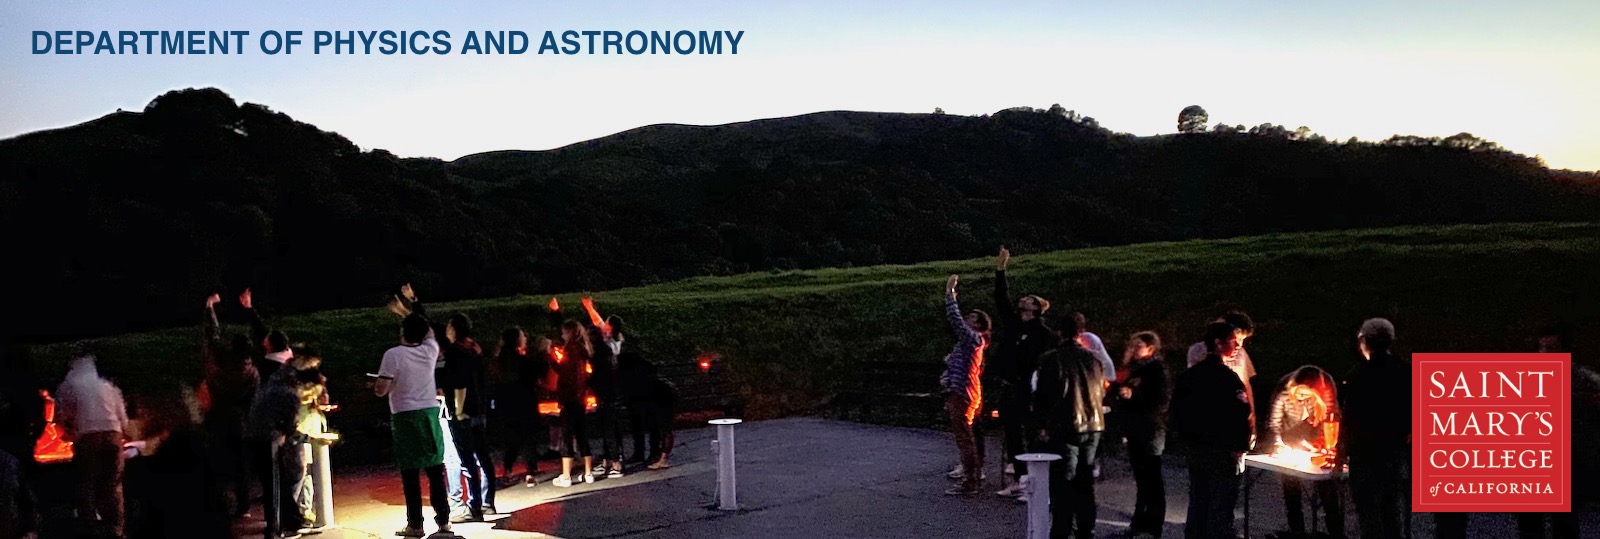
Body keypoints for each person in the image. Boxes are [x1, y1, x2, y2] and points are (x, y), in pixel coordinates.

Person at [375, 297, 455, 539]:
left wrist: (376, 385)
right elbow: (428, 328)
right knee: (435, 470)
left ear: (402, 333)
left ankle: (415, 524)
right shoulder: (430, 350)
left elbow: (381, 389)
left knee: (410, 474)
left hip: (404, 416)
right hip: (429, 413)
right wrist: (405, 312)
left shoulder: (393, 354)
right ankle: (443, 522)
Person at [1172, 322, 1252, 539]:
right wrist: (1241, 446)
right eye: (1233, 341)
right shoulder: (1227, 378)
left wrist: (1185, 440)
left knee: (1198, 498)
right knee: (1220, 503)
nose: (1237, 346)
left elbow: (1176, 412)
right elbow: (1239, 413)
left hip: (1195, 448)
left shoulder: (1188, 377)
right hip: (1222, 450)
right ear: (1218, 344)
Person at [1511, 322, 1591, 539]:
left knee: (1564, 522)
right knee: (1529, 523)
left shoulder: (1581, 380)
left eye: (1551, 349)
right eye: (1542, 349)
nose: (1544, 354)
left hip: (1564, 460)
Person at [1033, 309, 1107, 539]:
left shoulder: (1051, 359)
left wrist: (1042, 425)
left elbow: (1042, 396)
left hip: (1066, 425)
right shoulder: (1093, 359)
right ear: (1080, 332)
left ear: (1059, 332)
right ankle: (1086, 527)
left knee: (1064, 481)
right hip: (1093, 423)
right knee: (1085, 478)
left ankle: (1063, 529)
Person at [1334, 318, 1409, 539]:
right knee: (1391, 507)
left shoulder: (1359, 375)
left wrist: (1341, 450)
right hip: (1393, 451)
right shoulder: (1405, 371)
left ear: (1365, 341)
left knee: (1367, 510)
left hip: (1364, 453)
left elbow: (1349, 417)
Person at [988, 247, 1054, 497]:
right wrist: (1001, 269)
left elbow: (1043, 362)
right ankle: (1018, 478)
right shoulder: (1014, 324)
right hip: (1009, 385)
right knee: (1012, 432)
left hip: (1028, 388)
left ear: (1037, 308)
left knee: (1032, 435)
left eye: (1030, 299)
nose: (1024, 299)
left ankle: (1035, 484)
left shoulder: (1042, 333)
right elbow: (1001, 299)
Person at [56, 348, 132, 538]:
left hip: (88, 438)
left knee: (86, 484)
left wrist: (69, 434)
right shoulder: (107, 386)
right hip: (114, 436)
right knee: (113, 485)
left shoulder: (68, 385)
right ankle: (116, 529)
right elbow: (123, 420)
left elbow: (62, 417)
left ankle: (91, 530)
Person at [199, 293, 261, 519]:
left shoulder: (219, 365)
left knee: (217, 463)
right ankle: (243, 506)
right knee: (242, 466)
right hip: (241, 422)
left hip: (216, 418)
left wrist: (209, 309)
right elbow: (253, 399)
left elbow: (212, 335)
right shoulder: (251, 372)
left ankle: (219, 505)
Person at [1266, 365, 1344, 539]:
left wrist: (1325, 445)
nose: (1302, 399)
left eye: (1306, 396)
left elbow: (1331, 417)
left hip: (1314, 441)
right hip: (1289, 441)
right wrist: (1278, 443)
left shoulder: (1326, 386)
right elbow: (1274, 422)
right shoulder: (1284, 388)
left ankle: (1336, 532)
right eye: (1299, 395)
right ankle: (1297, 531)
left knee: (1327, 488)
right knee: (1291, 487)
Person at [246, 351, 315, 539]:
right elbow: (290, 425)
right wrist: (301, 436)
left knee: (274, 484)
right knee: (275, 485)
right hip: (268, 437)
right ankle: (277, 529)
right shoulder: (289, 392)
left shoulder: (276, 380)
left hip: (257, 434)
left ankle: (286, 523)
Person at [1112, 331, 1170, 539]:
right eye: (1132, 345)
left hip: (1150, 429)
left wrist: (1135, 395)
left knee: (1152, 478)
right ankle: (1138, 522)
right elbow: (1114, 386)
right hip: (1133, 428)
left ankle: (1154, 526)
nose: (1134, 349)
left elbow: (1161, 401)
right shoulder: (1132, 369)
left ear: (1150, 348)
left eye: (1138, 346)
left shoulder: (1156, 370)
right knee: (1141, 478)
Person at [940, 274, 990, 496]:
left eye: (972, 317)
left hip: (963, 394)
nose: (967, 318)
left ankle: (971, 480)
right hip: (961, 391)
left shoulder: (972, 338)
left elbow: (954, 318)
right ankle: (972, 476)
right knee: (964, 436)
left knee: (964, 437)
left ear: (978, 324)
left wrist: (950, 293)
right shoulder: (968, 343)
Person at [1187, 311, 1260, 449]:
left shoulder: (1241, 354)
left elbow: (1246, 385)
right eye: (1236, 338)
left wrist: (1252, 420)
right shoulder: (1197, 352)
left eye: (1242, 340)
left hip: (1235, 418)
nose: (1239, 344)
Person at [493, 327, 550, 488]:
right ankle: (530, 471)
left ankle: (508, 469)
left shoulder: (500, 360)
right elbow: (538, 372)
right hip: (525, 401)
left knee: (512, 437)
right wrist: (543, 354)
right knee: (529, 437)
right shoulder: (522, 360)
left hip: (506, 403)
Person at [0, 342, 46, 539]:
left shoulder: (9, 388)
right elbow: (40, 419)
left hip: (10, 444)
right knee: (24, 489)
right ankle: (29, 529)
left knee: (12, 492)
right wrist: (33, 436)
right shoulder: (28, 387)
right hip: (22, 444)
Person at [580, 297, 625, 478]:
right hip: (610, 391)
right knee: (608, 427)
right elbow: (597, 322)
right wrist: (590, 307)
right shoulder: (607, 346)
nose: (602, 324)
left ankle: (616, 463)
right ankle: (608, 460)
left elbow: (597, 324)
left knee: (609, 428)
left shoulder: (609, 347)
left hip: (608, 392)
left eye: (606, 324)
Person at [550, 318, 597, 488]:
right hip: (581, 397)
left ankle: (566, 475)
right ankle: (588, 472)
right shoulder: (584, 350)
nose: (562, 335)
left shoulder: (570, 350)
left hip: (569, 397)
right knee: (582, 434)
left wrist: (552, 360)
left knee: (567, 436)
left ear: (569, 332)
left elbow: (564, 373)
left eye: (564, 332)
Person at [241, 289, 294, 382]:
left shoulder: (270, 368)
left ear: (270, 346)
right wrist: (249, 307)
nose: (264, 339)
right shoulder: (283, 351)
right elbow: (260, 328)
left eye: (266, 340)